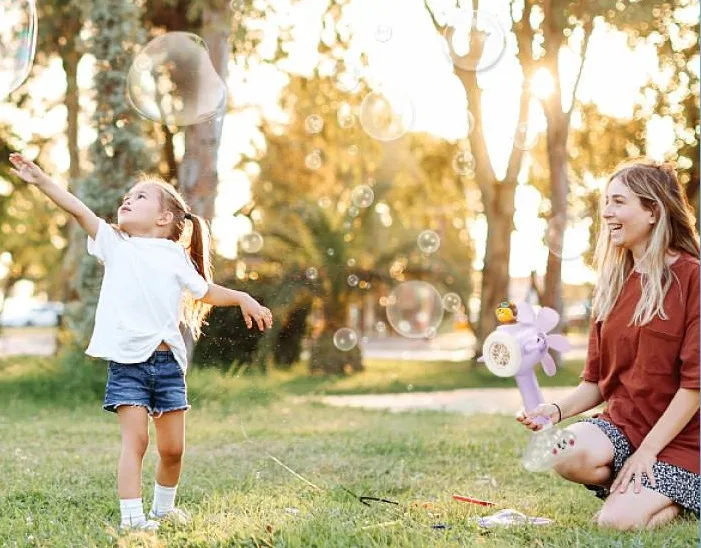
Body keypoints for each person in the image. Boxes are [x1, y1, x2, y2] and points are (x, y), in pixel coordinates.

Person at [10, 153, 274, 532]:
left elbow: (205, 290)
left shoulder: (174, 256)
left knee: (173, 450)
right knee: (135, 443)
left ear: (164, 218)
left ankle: (163, 510)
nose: (127, 199)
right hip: (129, 364)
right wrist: (42, 181)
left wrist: (244, 297)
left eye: (140, 197)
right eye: (127, 196)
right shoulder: (116, 244)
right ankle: (133, 520)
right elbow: (79, 210)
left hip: (168, 366)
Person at [517, 159, 699, 530]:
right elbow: (597, 383)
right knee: (564, 452)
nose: (606, 213)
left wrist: (649, 451)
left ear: (652, 210)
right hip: (625, 427)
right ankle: (634, 486)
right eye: (605, 202)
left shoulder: (693, 279)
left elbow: (695, 387)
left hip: (684, 441)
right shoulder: (612, 284)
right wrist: (553, 412)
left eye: (618, 202)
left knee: (613, 522)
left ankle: (671, 495)